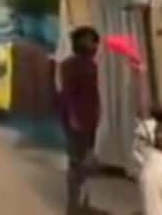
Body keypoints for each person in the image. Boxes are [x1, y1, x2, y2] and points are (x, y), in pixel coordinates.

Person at [59, 26, 102, 215]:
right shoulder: (70, 65)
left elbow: (93, 94)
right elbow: (67, 94)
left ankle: (83, 202)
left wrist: (98, 112)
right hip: (76, 120)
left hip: (89, 119)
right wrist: (72, 118)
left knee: (85, 162)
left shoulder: (92, 65)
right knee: (76, 163)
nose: (95, 46)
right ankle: (73, 205)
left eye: (95, 42)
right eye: (91, 41)